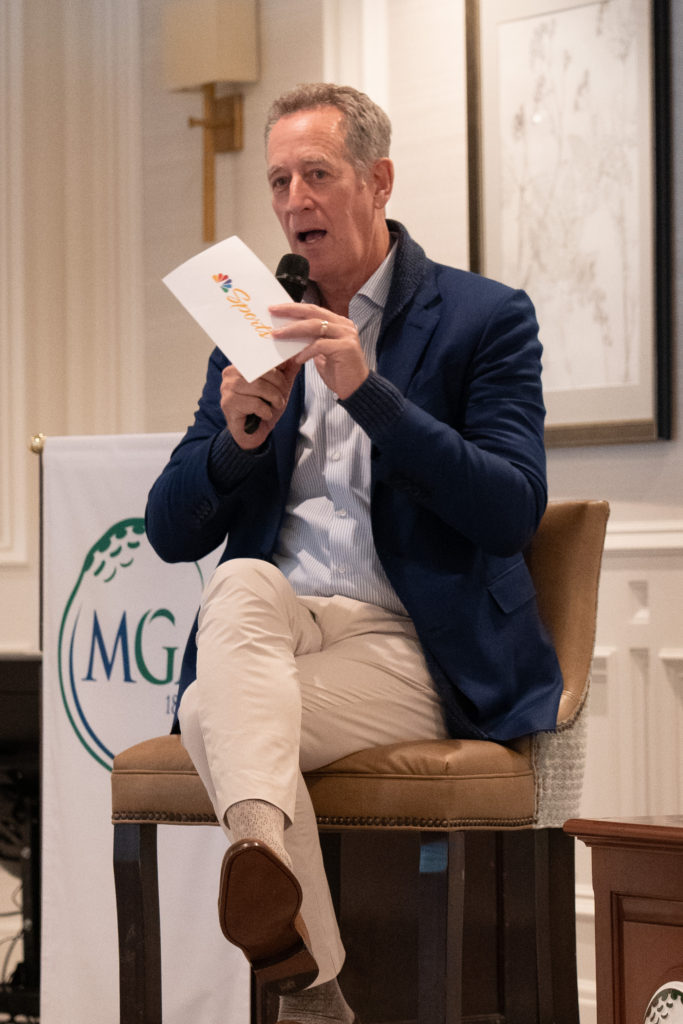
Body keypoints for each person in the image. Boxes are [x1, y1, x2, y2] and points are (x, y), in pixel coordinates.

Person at [146, 82, 563, 1024]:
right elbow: (171, 531)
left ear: (378, 182)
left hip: (414, 643)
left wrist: (368, 394)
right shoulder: (251, 330)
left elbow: (510, 510)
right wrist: (236, 441)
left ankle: (307, 983)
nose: (294, 200)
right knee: (239, 580)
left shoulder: (484, 317)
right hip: (281, 631)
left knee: (212, 709)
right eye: (278, 181)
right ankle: (304, 960)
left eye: (318, 175)